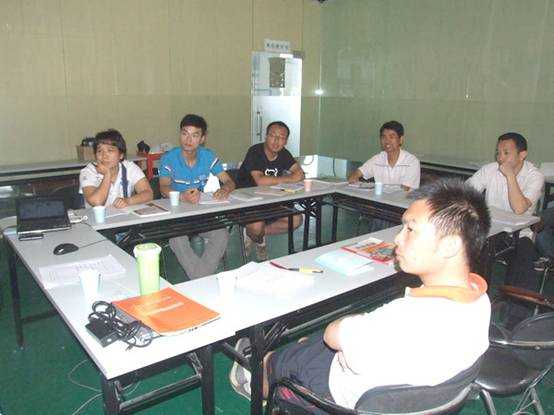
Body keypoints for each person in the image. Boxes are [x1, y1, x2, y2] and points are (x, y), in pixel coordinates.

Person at [229, 179, 491, 411]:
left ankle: (252, 380)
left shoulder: (405, 317)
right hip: (408, 390)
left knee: (284, 359)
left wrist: (351, 324)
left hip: (343, 394)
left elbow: (333, 335)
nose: (398, 239)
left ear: (449, 245)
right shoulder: (479, 299)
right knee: (310, 342)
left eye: (410, 230)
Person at [466, 132, 544, 325]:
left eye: (506, 153)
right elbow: (465, 193)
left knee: (524, 262)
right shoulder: (490, 170)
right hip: (489, 230)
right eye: (498, 152)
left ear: (522, 155)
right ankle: (467, 304)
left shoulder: (534, 176)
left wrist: (510, 176)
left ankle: (515, 321)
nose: (500, 158)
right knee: (461, 252)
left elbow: (519, 208)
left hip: (519, 233)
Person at [159, 114, 235, 279]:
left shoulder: (208, 156)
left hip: (199, 212)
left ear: (202, 139)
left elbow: (229, 181)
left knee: (221, 234)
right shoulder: (169, 158)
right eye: (184, 133)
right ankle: (202, 279)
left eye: (195, 135)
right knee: (177, 239)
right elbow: (163, 187)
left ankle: (199, 278)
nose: (188, 139)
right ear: (180, 134)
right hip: (175, 214)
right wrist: (182, 197)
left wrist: (225, 190)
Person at [236, 121, 305, 261]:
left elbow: (300, 174)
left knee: (296, 220)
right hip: (248, 202)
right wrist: (289, 178)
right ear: (266, 136)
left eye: (281, 137)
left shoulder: (284, 154)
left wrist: (293, 176)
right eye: (273, 136)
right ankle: (259, 240)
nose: (276, 141)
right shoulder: (255, 151)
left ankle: (252, 234)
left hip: (271, 201)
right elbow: (260, 181)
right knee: (256, 226)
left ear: (286, 141)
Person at [79, 129, 153, 208]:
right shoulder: (88, 171)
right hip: (96, 215)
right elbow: (97, 202)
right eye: (99, 151)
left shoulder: (129, 167)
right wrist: (107, 175)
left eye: (110, 150)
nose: (104, 155)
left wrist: (128, 201)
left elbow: (148, 194)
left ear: (121, 155)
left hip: (123, 215)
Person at [348, 120, 420, 190]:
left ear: (400, 140)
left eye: (391, 137)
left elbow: (404, 190)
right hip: (380, 197)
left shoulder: (411, 162)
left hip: (403, 198)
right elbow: (355, 175)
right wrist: (355, 180)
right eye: (384, 137)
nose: (387, 141)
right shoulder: (377, 159)